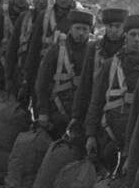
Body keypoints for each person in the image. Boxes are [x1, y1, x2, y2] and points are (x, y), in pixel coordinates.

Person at [83, 13, 139, 171]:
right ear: (126, 36)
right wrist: (91, 134)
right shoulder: (110, 65)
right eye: (133, 35)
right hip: (108, 132)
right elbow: (96, 100)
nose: (136, 39)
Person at [20, 0, 81, 108]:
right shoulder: (44, 16)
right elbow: (34, 47)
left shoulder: (82, 17)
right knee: (40, 105)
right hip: (43, 69)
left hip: (69, 73)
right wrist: (27, 77)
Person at [34, 9, 96, 139]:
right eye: (77, 28)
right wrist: (43, 113)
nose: (81, 33)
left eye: (85, 29)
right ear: (70, 28)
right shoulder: (57, 49)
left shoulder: (94, 52)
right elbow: (42, 83)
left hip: (82, 113)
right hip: (57, 111)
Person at [71, 6, 128, 132]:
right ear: (105, 27)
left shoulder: (129, 50)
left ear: (124, 28)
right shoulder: (94, 48)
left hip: (118, 110)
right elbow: (85, 83)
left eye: (118, 26)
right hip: (94, 105)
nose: (113, 30)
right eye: (110, 26)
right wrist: (76, 115)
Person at [5, 0, 52, 99]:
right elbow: (13, 47)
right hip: (22, 70)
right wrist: (8, 77)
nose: (41, 1)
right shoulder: (24, 17)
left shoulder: (54, 20)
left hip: (44, 73)